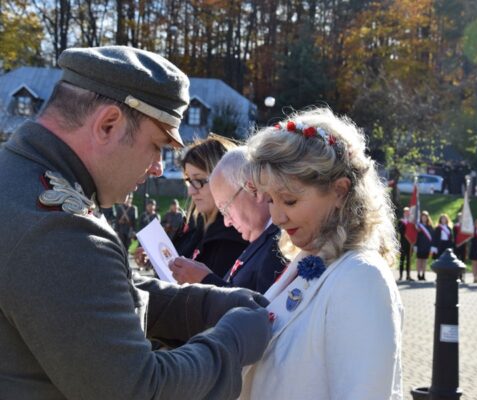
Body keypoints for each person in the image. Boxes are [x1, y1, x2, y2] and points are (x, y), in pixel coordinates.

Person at [0, 45, 272, 399]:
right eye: (157, 145)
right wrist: (232, 343)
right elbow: (140, 390)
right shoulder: (58, 228)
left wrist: (201, 305)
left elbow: (94, 299)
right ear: (108, 125)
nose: (159, 167)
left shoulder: (19, 181)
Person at [238, 108, 403, 399]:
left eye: (289, 200)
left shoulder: (362, 277)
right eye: (270, 200)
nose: (276, 216)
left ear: (340, 191)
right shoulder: (311, 262)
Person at [169, 147, 288, 293]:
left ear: (253, 190)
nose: (227, 222)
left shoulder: (282, 245)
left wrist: (206, 281)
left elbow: (262, 311)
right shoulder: (263, 238)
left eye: (225, 208)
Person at [168, 137, 248, 278]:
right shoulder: (193, 227)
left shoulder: (236, 237)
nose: (191, 191)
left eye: (198, 181)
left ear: (223, 179)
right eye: (188, 181)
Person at [416, 210, 434, 281]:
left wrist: (432, 246)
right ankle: (418, 274)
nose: (424, 218)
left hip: (427, 246)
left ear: (427, 218)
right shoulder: (418, 226)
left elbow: (432, 237)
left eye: (425, 217)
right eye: (422, 217)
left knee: (424, 261)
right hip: (419, 245)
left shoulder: (430, 227)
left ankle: (423, 275)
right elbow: (416, 236)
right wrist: (415, 245)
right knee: (419, 261)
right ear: (421, 218)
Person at [397, 206, 414, 281]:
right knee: (402, 259)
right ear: (404, 213)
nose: (407, 214)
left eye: (408, 212)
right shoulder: (401, 221)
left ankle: (408, 275)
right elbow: (400, 231)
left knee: (409, 260)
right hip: (403, 242)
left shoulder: (411, 223)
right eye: (406, 212)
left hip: (409, 243)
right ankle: (400, 275)